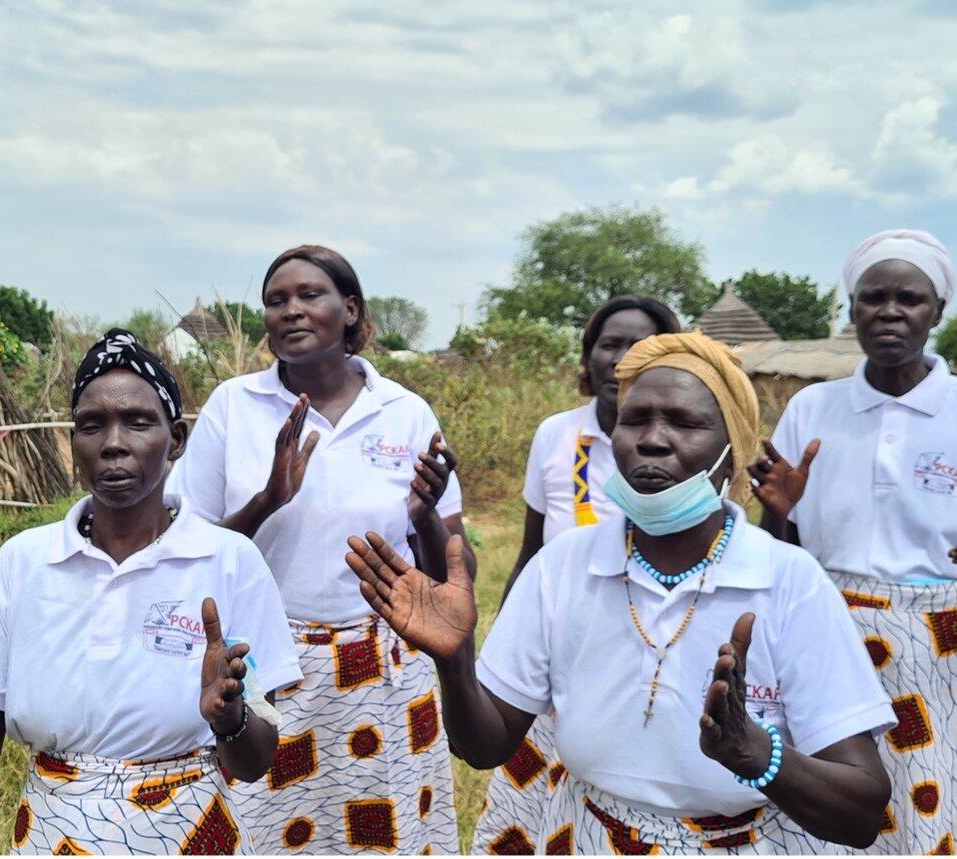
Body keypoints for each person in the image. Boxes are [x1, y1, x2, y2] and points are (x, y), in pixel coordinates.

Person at [348, 331, 896, 854]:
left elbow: (862, 812)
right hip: (589, 835)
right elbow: (485, 748)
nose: (652, 439)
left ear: (732, 450)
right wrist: (456, 661)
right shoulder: (565, 564)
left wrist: (756, 754)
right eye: (636, 419)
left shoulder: (788, 579)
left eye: (685, 423)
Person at [0, 329, 302, 855]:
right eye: (91, 425)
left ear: (176, 439)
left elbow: (254, 765)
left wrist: (230, 719)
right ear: (74, 444)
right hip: (54, 835)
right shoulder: (26, 561)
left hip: (192, 832)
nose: (113, 442)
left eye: (138, 422)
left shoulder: (230, 560)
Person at [167, 245, 476, 854]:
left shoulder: (404, 411)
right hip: (267, 657)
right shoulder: (236, 405)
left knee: (383, 827)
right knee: (263, 823)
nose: (291, 311)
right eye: (277, 301)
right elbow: (191, 552)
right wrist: (267, 500)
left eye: (310, 296)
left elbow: (451, 574)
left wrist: (427, 517)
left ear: (350, 309)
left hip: (384, 660)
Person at [752, 229, 957, 854]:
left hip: (940, 640)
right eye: (872, 297)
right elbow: (777, 542)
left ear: (937, 314)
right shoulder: (814, 407)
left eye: (909, 299)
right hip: (826, 627)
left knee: (930, 789)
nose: (889, 312)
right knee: (826, 796)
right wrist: (780, 512)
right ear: (852, 308)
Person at [473, 295, 681, 855]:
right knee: (530, 814)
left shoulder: (686, 447)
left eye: (640, 346)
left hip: (648, 658)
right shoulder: (556, 435)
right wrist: (502, 651)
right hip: (557, 655)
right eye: (609, 344)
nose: (621, 359)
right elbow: (529, 552)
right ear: (588, 358)